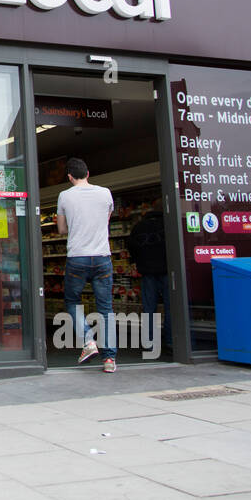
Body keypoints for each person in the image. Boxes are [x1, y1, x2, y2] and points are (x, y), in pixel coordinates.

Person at [55, 157, 117, 372]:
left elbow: (61, 230)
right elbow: (105, 221)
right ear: (88, 173)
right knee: (106, 308)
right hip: (102, 256)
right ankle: (109, 360)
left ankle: (88, 340)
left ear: (69, 177)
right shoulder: (106, 193)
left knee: (72, 301)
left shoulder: (64, 196)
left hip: (77, 257)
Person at [127, 210, 173, 357]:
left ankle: (149, 342)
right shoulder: (167, 224)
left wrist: (138, 261)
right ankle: (171, 341)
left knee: (149, 308)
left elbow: (131, 246)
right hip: (166, 270)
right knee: (171, 307)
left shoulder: (138, 227)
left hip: (147, 272)